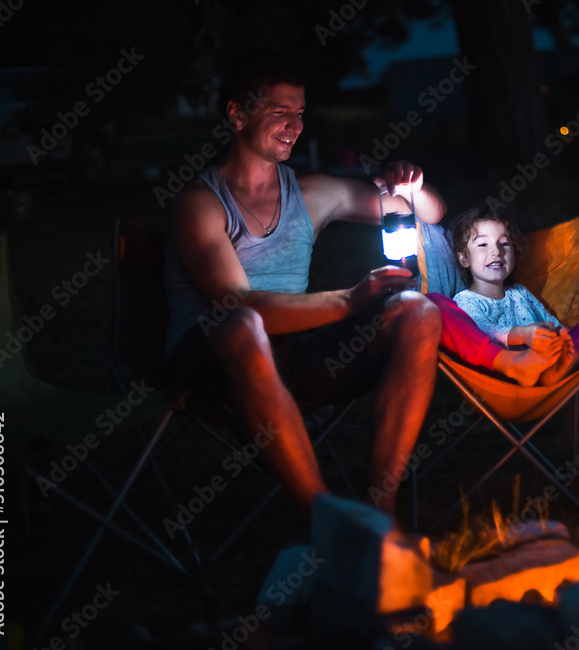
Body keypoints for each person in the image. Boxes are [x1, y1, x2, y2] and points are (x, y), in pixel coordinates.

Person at [164, 50, 445, 516]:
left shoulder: (312, 193)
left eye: (298, 113)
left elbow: (431, 214)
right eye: (279, 111)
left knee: (419, 311)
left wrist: (411, 186)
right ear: (237, 114)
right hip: (212, 362)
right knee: (241, 324)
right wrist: (351, 300)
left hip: (293, 353)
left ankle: (382, 512)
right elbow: (240, 304)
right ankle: (324, 519)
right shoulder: (198, 203)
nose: (294, 125)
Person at [447, 205, 579, 392]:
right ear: (463, 259)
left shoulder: (520, 292)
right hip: (504, 378)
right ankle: (556, 369)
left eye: (504, 243)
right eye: (483, 244)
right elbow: (484, 333)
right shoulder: (464, 300)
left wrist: (562, 338)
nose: (496, 251)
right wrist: (523, 334)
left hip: (553, 359)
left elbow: (552, 324)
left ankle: (570, 364)